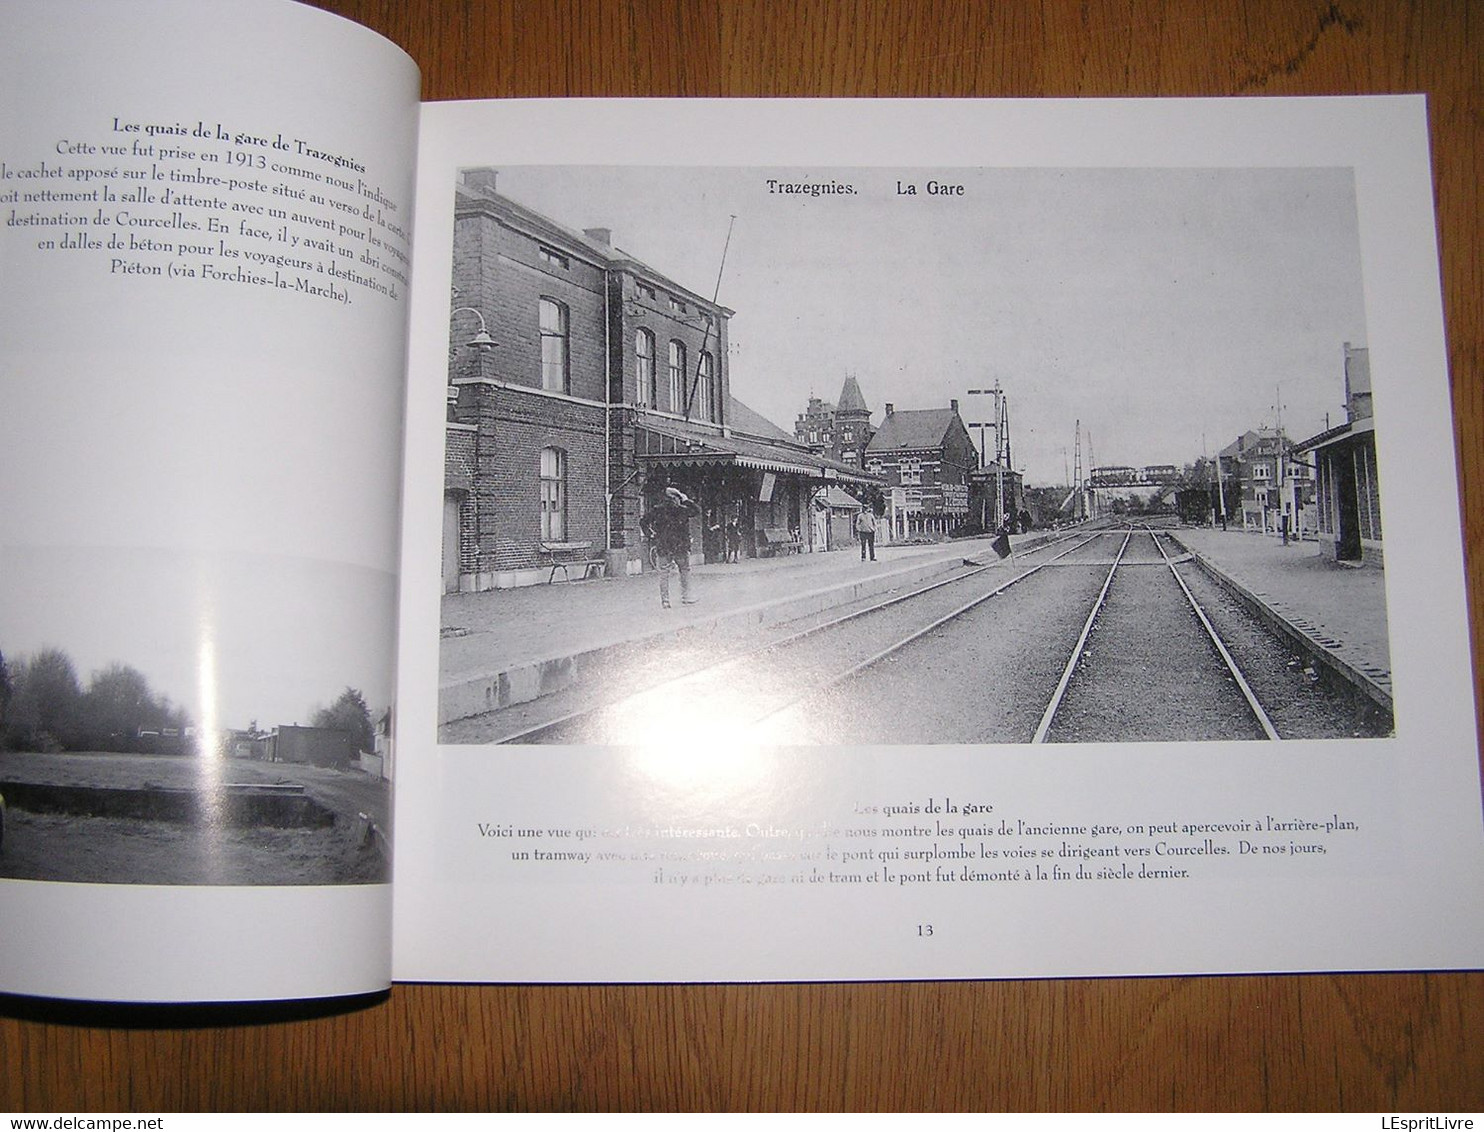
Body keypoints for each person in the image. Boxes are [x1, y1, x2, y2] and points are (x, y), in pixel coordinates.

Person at [640, 487, 701, 607]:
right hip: (680, 547)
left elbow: (643, 522)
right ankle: (686, 597)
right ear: (676, 498)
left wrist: (651, 535)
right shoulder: (682, 510)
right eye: (678, 498)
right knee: (684, 570)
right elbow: (697, 510)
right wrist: (686, 499)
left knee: (664, 573)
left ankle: (665, 601)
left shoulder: (657, 510)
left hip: (664, 546)